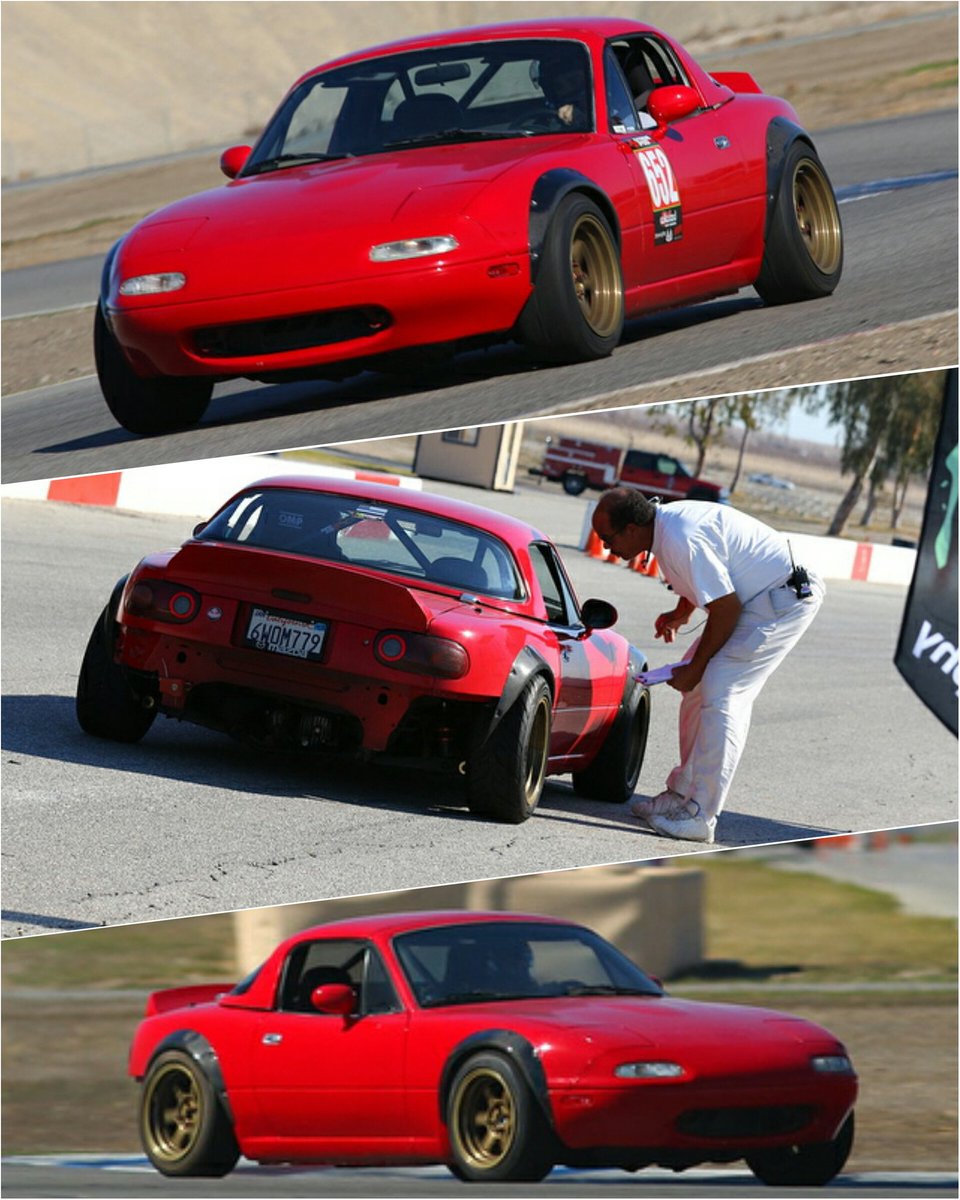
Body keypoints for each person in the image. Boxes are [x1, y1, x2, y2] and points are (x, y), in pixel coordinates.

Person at [592, 488, 825, 844]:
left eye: (609, 539)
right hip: (755, 600)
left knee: (721, 692)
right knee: (696, 691)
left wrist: (696, 668)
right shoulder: (664, 530)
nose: (608, 549)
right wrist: (681, 613)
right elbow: (711, 579)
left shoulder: (681, 537)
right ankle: (680, 794)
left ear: (632, 527)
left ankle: (701, 814)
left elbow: (726, 608)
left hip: (781, 602)